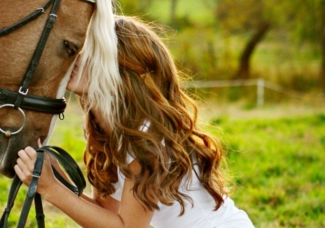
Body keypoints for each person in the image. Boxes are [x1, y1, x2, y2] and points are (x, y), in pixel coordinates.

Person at [15, 16, 254, 228]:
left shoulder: (146, 136)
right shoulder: (105, 131)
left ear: (121, 69)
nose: (76, 57)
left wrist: (51, 188)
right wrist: (56, 178)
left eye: (91, 52)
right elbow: (106, 215)